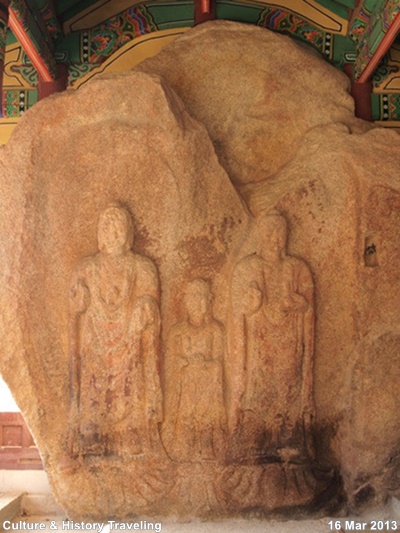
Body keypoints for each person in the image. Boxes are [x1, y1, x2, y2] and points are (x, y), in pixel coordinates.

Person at [67, 205, 161, 458]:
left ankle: (130, 433)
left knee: (131, 383)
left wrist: (145, 307)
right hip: (95, 345)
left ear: (129, 233)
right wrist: (78, 303)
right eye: (107, 226)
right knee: (93, 384)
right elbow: (75, 309)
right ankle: (93, 432)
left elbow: (153, 308)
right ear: (99, 233)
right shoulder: (86, 268)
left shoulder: (142, 268)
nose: (113, 232)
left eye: (119, 225)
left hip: (130, 343)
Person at [229, 213, 314, 462]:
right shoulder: (247, 268)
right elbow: (237, 312)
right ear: (260, 237)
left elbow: (310, 308)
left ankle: (288, 440)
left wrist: (300, 305)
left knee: (288, 387)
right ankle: (256, 439)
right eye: (269, 233)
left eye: (280, 233)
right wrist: (250, 305)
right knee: (259, 391)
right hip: (259, 346)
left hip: (290, 344)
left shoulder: (297, 268)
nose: (275, 239)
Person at [162, 279, 226, 462]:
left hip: (207, 385)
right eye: (193, 297)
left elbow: (219, 362)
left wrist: (205, 364)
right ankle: (184, 444)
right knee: (186, 410)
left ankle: (206, 444)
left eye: (201, 297)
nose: (197, 302)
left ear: (208, 300)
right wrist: (185, 362)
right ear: (186, 301)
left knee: (206, 408)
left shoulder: (215, 330)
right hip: (185, 385)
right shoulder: (177, 331)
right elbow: (170, 362)